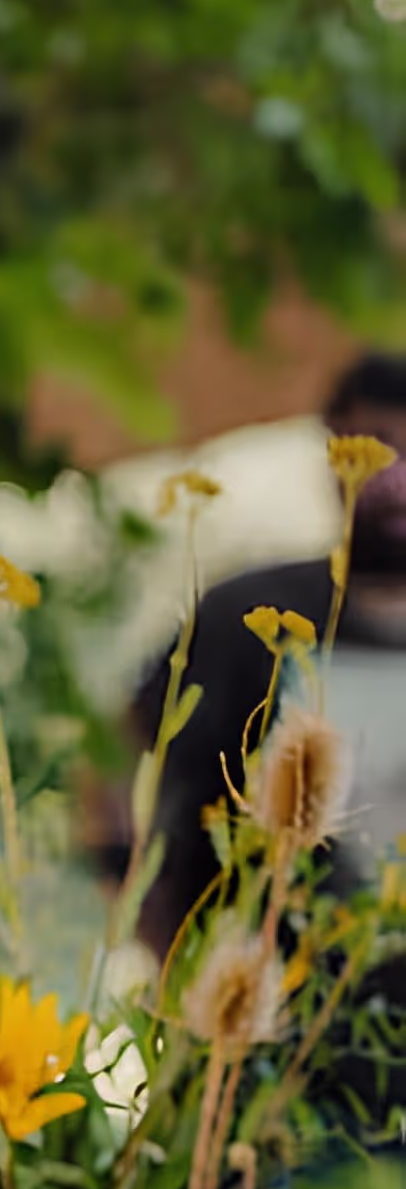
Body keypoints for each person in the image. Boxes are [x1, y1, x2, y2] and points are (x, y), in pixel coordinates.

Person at [134, 349, 406, 960]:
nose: (397, 479)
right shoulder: (245, 616)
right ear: (334, 446)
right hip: (268, 1013)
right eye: (380, 447)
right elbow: (132, 762)